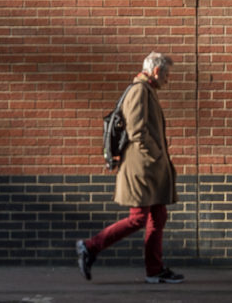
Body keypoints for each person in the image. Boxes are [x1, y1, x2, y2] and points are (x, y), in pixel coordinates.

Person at [76, 51, 183, 284]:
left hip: (149, 169)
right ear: (156, 71)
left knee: (158, 215)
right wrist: (156, 155)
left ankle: (154, 270)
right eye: (166, 74)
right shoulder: (138, 91)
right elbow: (137, 132)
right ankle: (90, 246)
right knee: (138, 218)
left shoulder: (147, 91)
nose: (168, 79)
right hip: (141, 169)